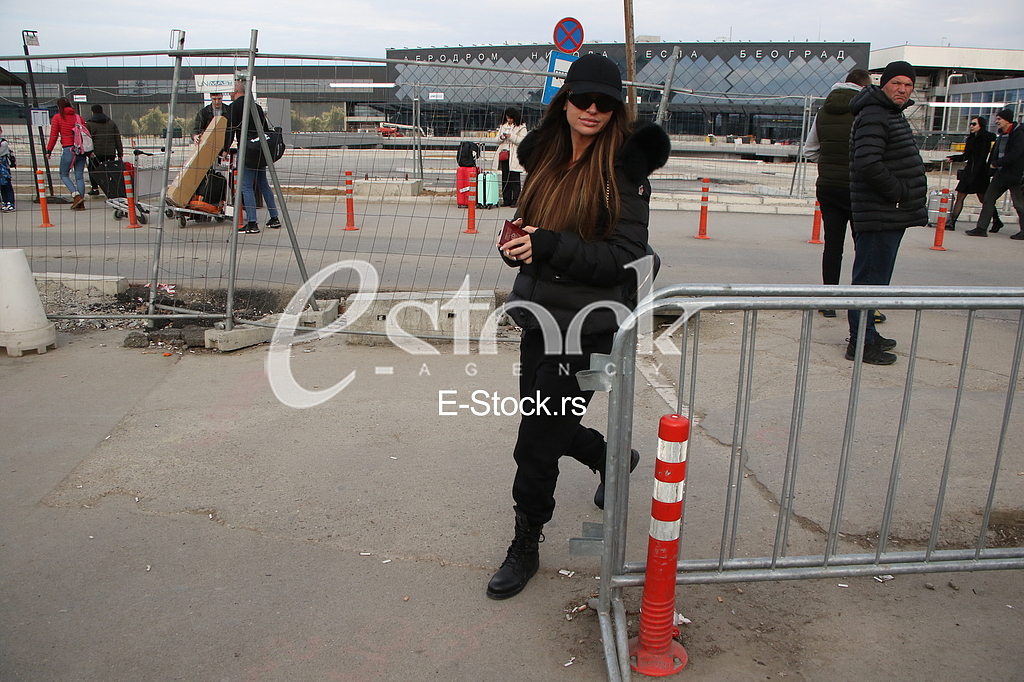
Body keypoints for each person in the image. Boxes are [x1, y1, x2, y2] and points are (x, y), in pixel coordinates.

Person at [487, 54, 670, 600]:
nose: (592, 110)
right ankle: (614, 457)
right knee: (545, 422)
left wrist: (547, 245)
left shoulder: (625, 171)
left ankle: (526, 541)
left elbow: (625, 257)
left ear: (616, 110)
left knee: (536, 439)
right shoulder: (546, 157)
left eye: (604, 103)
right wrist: (517, 247)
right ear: (563, 101)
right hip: (541, 316)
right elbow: (533, 228)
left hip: (589, 326)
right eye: (582, 99)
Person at [846, 60, 928, 365]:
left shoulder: (888, 113)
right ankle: (859, 343)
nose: (903, 90)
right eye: (897, 83)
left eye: (908, 85)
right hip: (881, 212)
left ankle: (868, 334)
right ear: (885, 84)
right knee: (868, 279)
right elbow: (868, 163)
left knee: (876, 279)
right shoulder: (875, 114)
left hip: (889, 213)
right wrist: (900, 193)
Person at [803, 68, 872, 317]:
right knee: (863, 248)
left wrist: (831, 161)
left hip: (828, 187)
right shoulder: (864, 110)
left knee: (833, 246)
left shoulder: (823, 111)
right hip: (857, 188)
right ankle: (862, 304)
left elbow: (810, 150)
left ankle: (828, 301)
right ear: (864, 87)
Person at [223, 81, 280, 234]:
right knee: (263, 184)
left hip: (247, 150)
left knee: (246, 186)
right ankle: (274, 217)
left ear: (236, 90)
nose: (229, 92)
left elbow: (230, 130)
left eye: (231, 89)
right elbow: (266, 130)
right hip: (260, 150)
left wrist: (225, 149)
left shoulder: (234, 107)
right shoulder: (256, 107)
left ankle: (252, 222)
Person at [965, 109, 1024, 240]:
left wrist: (997, 163)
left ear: (1007, 120)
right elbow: (995, 152)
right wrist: (991, 166)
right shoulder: (1002, 134)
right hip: (1000, 173)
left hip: (1014, 174)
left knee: (1019, 204)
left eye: (999, 119)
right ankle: (981, 229)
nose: (996, 121)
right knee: (988, 199)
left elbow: (1015, 154)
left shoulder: (1018, 134)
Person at [945, 116, 999, 231]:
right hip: (970, 169)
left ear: (981, 125)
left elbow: (982, 157)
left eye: (974, 124)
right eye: (971, 124)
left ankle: (996, 220)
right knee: (960, 195)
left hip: (979, 171)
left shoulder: (985, 138)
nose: (971, 126)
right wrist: (953, 158)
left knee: (983, 198)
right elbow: (967, 155)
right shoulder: (970, 139)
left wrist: (974, 174)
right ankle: (952, 221)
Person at [45, 97, 92, 210]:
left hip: (69, 149)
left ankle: (75, 195)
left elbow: (54, 136)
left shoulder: (58, 117)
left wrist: (49, 150)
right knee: (79, 177)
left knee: (64, 174)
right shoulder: (78, 117)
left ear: (59, 107)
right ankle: (81, 203)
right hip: (81, 150)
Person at [85, 104, 124, 196]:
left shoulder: (90, 124)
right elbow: (117, 139)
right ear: (102, 111)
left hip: (96, 153)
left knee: (93, 170)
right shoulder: (111, 123)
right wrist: (120, 152)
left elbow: (87, 139)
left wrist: (88, 152)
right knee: (109, 170)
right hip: (110, 152)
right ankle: (112, 188)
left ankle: (95, 188)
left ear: (92, 112)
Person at [492, 106, 528, 208]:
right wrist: (501, 137)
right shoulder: (503, 125)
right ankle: (506, 199)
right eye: (507, 118)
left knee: (515, 178)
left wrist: (510, 136)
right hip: (504, 155)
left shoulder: (521, 127)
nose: (509, 120)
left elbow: (522, 140)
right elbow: (496, 140)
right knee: (505, 178)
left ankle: (515, 200)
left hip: (514, 155)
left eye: (510, 118)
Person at [0, 126, 16, 211]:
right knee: (1, 186)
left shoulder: (3, 143)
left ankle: (10, 202)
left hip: (3, 167)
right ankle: (4, 201)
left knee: (6, 184)